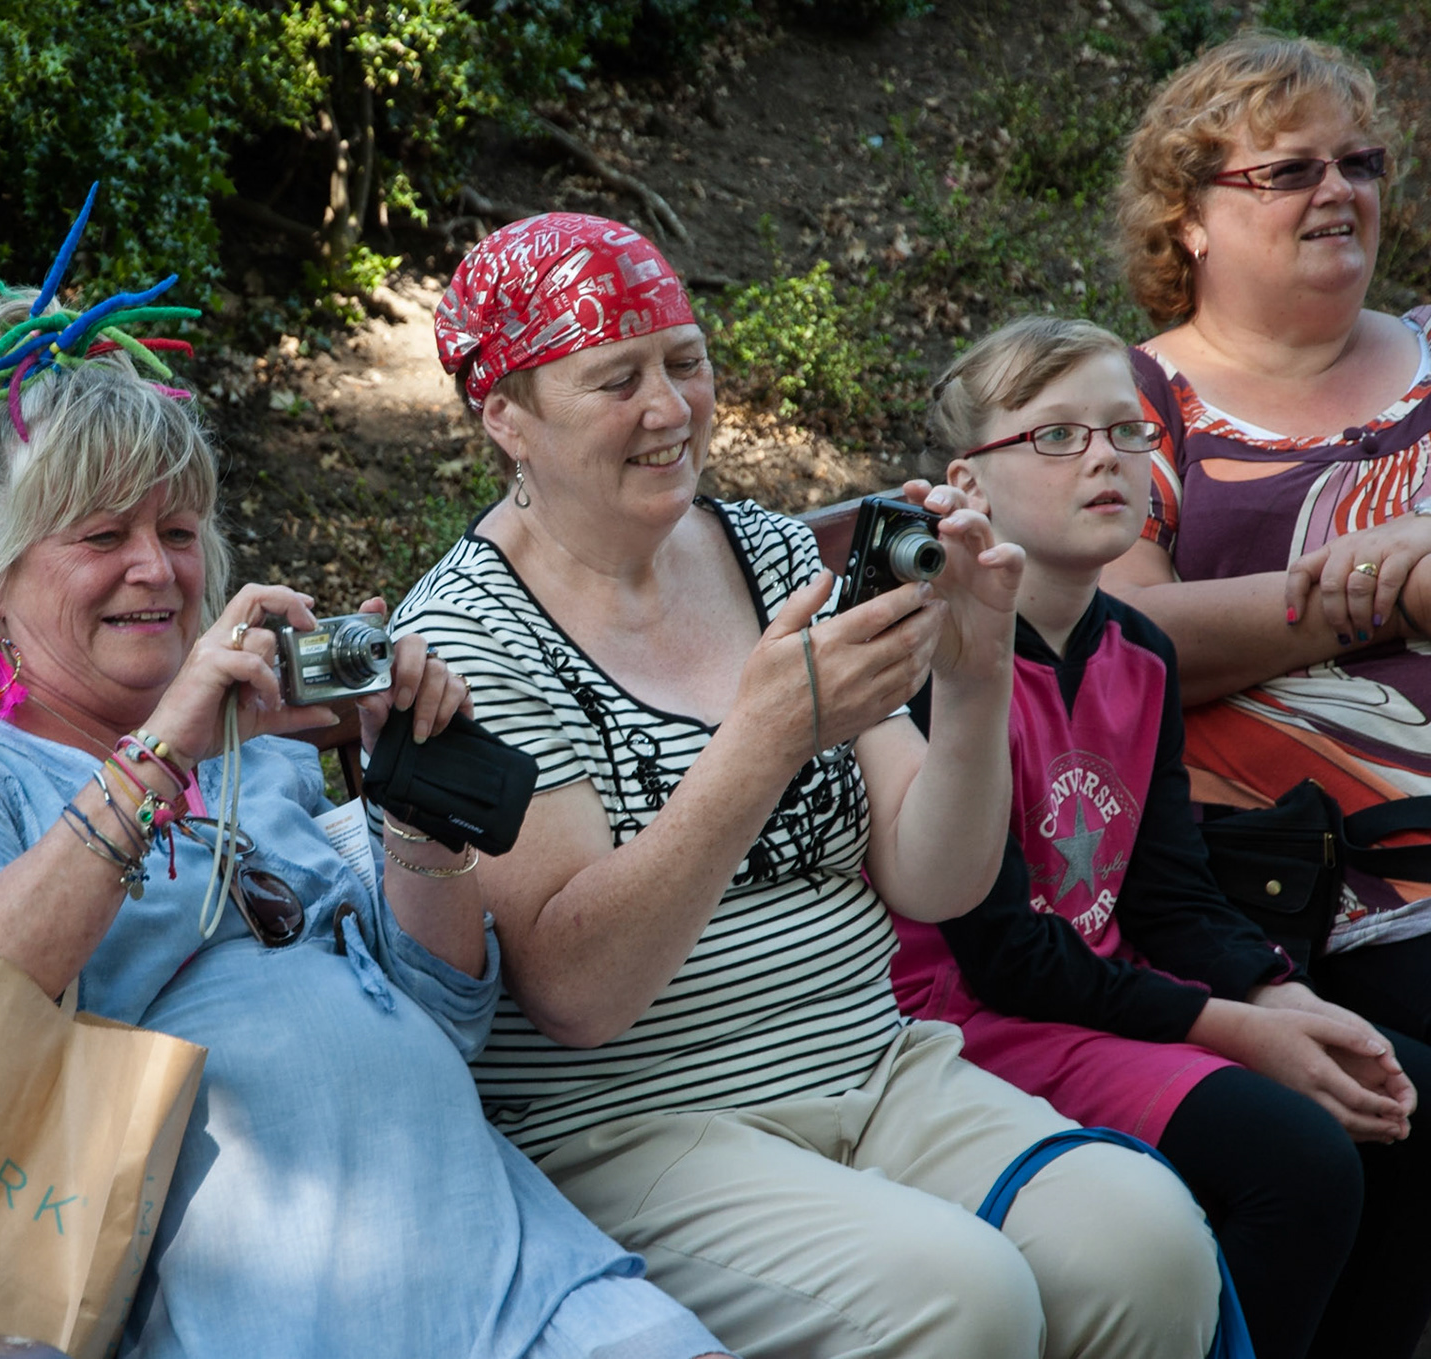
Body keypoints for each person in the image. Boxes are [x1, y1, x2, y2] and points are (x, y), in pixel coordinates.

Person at [0, 199, 732, 1359]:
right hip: (261, 1307)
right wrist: (165, 755)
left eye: (180, 530)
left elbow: (443, 1019)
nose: (156, 568)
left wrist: (417, 814)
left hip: (491, 1255)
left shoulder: (267, 758)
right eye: (102, 536)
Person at [393, 210, 1224, 1359]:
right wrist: (764, 739)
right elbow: (577, 994)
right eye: (615, 379)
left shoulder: (769, 552)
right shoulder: (469, 640)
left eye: (686, 362)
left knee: (1149, 1244)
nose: (671, 408)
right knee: (963, 1297)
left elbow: (932, 878)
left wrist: (977, 678)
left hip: (877, 1070)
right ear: (506, 416)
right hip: (635, 1130)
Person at [890, 312, 1431, 1359]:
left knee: (1402, 1095)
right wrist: (1233, 1029)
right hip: (971, 1022)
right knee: (1299, 1161)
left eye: (1125, 431)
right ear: (970, 480)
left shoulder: (1135, 648)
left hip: (1102, 997)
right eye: (1055, 436)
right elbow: (1000, 954)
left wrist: (1283, 995)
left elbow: (1168, 895)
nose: (1104, 456)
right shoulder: (944, 663)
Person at [1107, 31, 1431, 1038]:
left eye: (1358, 163)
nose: (1338, 190)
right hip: (1324, 892)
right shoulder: (1129, 403)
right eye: (1291, 170)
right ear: (1189, 219)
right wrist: (1394, 584)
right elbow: (1123, 639)